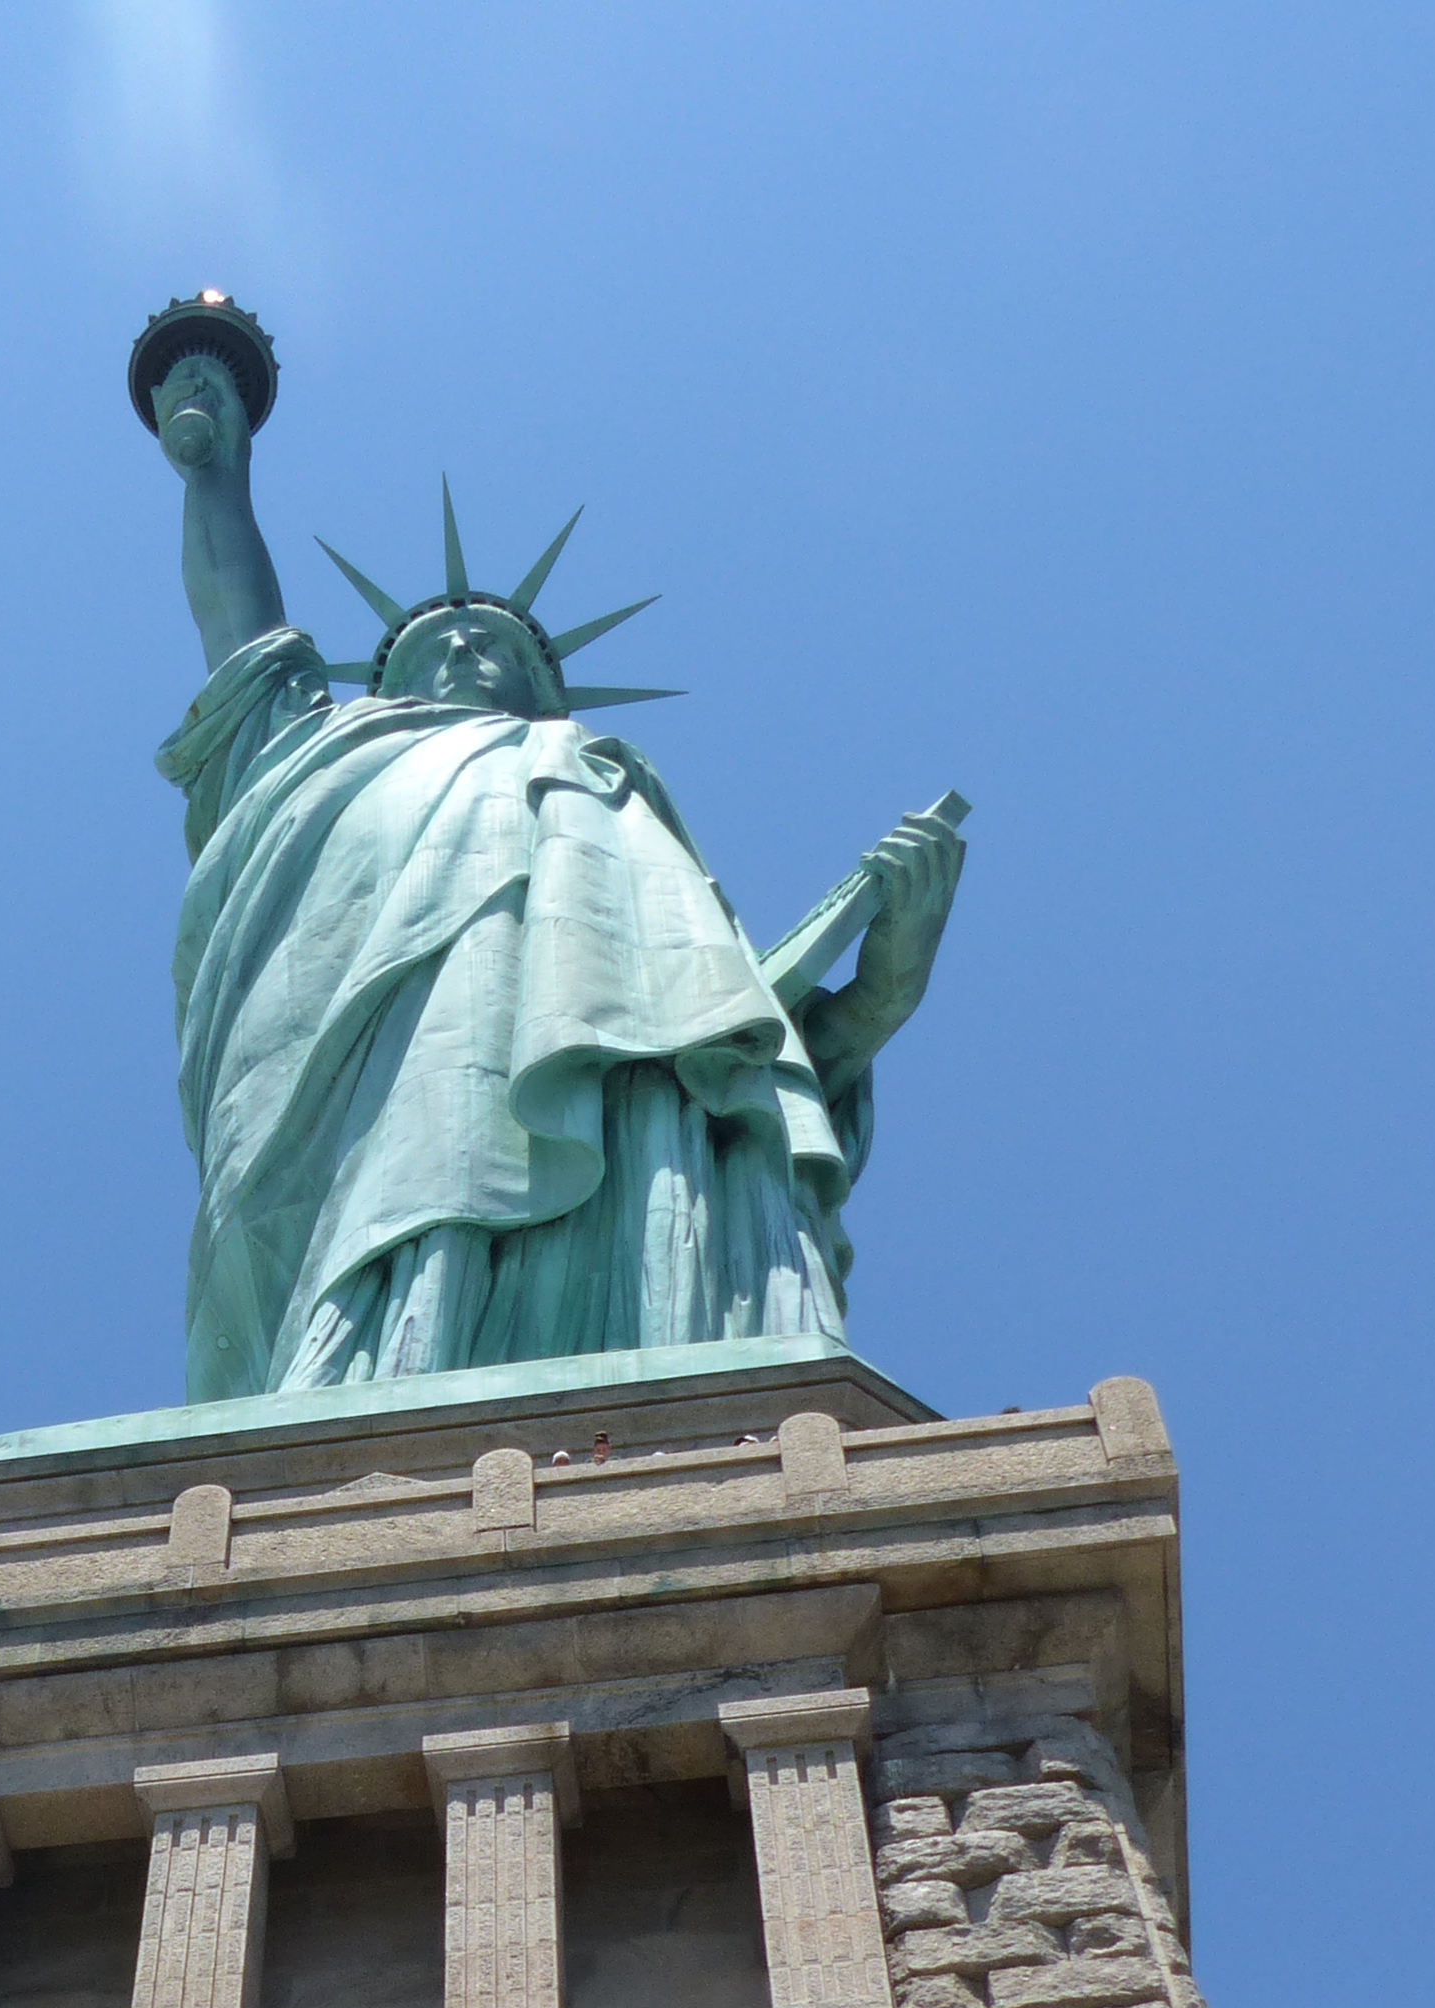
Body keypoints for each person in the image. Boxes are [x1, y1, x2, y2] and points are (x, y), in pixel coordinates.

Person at [137, 326, 969, 1399]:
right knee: (401, 1210)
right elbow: (239, 629)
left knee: (657, 1193)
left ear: (545, 691)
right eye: (435, 646)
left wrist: (884, 990)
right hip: (379, 1088)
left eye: (500, 647)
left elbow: (719, 1054)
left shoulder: (606, 787)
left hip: (635, 1128)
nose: (466, 649)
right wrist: (216, 471)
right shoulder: (321, 751)